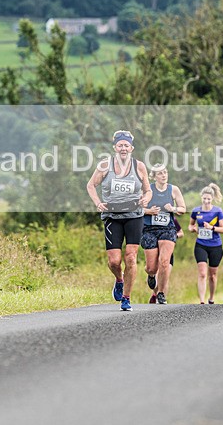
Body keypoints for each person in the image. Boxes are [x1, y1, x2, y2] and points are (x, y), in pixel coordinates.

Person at [86, 130, 151, 311]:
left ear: (132, 148)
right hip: (112, 217)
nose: (123, 148)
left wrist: (146, 198)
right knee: (114, 261)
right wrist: (98, 202)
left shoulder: (139, 167)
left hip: (134, 216)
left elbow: (148, 190)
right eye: (120, 145)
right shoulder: (105, 166)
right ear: (115, 147)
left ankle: (126, 298)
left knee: (130, 257)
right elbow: (91, 185)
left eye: (126, 145)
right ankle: (119, 279)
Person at [141, 164, 186, 305]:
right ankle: (151, 275)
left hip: (168, 229)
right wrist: (149, 211)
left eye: (165, 172)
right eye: (160, 173)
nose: (163, 175)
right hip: (149, 229)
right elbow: (137, 208)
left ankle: (160, 293)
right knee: (151, 267)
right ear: (154, 176)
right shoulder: (148, 190)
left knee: (165, 262)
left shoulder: (174, 190)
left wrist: (172, 208)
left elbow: (183, 209)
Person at [189, 183, 223, 305]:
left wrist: (211, 227)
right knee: (202, 273)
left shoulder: (217, 211)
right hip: (201, 245)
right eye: (204, 198)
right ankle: (202, 301)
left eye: (208, 199)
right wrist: (193, 228)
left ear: (212, 199)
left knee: (213, 275)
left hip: (215, 245)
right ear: (201, 198)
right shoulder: (196, 211)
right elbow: (190, 225)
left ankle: (211, 298)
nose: (206, 201)